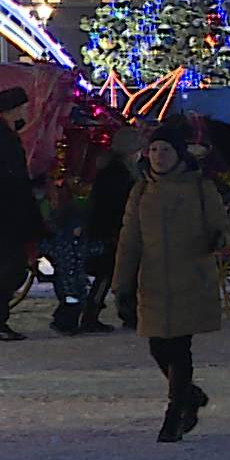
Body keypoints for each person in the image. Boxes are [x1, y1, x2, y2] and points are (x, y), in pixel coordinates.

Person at [115, 131, 227, 442]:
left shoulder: (200, 188)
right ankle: (188, 395)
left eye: (165, 149)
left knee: (179, 348)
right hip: (152, 282)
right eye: (153, 149)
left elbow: (221, 228)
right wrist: (121, 284)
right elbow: (129, 241)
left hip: (189, 278)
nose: (158, 155)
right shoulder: (140, 192)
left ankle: (175, 413)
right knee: (158, 347)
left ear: (178, 154)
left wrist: (216, 240)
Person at [0, 88, 45, 341]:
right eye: (23, 107)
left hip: (7, 212)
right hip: (4, 215)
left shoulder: (1, 136)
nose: (26, 111)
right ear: (14, 109)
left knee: (12, 269)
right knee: (12, 269)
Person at [81, 125, 148, 332]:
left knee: (113, 272)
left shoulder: (113, 170)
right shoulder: (119, 175)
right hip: (110, 231)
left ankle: (107, 313)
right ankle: (94, 315)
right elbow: (116, 206)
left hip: (109, 229)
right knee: (110, 272)